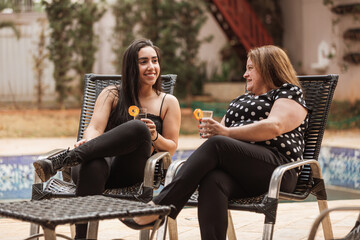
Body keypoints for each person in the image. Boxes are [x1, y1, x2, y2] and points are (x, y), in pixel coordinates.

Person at [121, 45, 309, 240]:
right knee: (213, 180)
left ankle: (159, 207)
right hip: (243, 171)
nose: (245, 75)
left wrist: (224, 134)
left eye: (250, 68)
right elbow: (222, 136)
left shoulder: (288, 92)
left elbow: (275, 126)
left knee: (218, 144)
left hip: (277, 170)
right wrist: (215, 132)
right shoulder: (241, 99)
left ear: (269, 68)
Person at [32, 38, 181, 239]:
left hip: (129, 170)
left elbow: (171, 148)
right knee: (93, 164)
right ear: (131, 67)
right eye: (143, 61)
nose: (151, 67)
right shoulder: (112, 93)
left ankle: (66, 159)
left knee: (138, 127)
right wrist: (90, 142)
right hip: (95, 165)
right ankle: (81, 237)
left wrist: (154, 136)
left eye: (154, 61)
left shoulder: (168, 102)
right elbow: (94, 127)